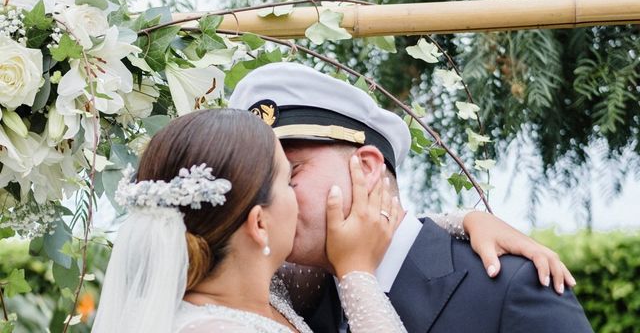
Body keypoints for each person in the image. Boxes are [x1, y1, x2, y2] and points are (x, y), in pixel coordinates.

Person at [228, 61, 594, 333]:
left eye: (289, 175)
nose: (264, 202)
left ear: (368, 168)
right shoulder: (295, 296)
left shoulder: (512, 285)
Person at [92, 108, 411, 332]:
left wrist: (456, 219)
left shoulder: (266, 290)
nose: (297, 197)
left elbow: (341, 237)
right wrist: (357, 271)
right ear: (259, 224)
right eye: (288, 181)